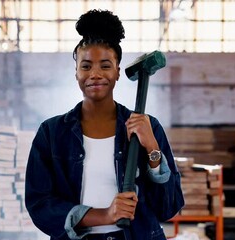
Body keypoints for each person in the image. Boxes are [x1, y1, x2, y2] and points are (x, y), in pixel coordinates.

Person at [25, 9, 184, 240]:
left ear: (118, 72)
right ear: (76, 72)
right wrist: (104, 215)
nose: (96, 74)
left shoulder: (147, 127)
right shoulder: (51, 133)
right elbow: (39, 204)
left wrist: (152, 148)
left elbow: (168, 207)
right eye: (86, 66)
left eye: (106, 65)